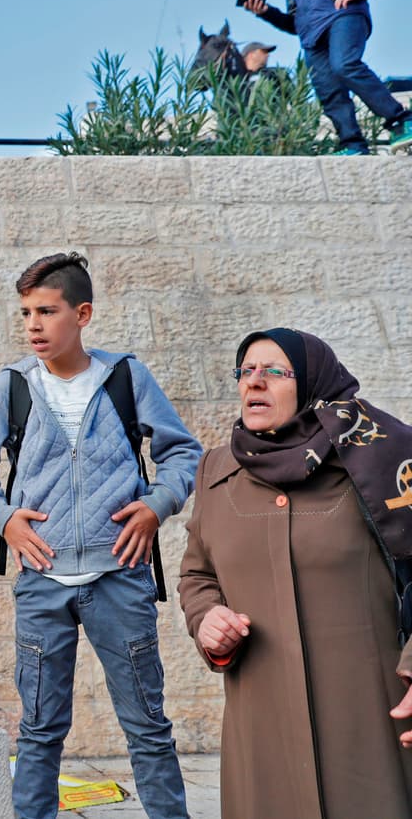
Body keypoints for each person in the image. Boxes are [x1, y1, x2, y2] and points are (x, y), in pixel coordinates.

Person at [0, 253, 200, 819]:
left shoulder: (126, 378)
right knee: (40, 731)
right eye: (26, 313)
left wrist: (156, 506)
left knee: (147, 727)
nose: (33, 325)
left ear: (82, 314)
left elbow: (183, 452)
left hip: (121, 579)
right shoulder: (11, 386)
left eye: (47, 311)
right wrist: (4, 517)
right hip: (42, 582)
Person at [178, 328, 412, 818]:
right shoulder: (216, 471)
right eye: (246, 370)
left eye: (274, 372)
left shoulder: (379, 460)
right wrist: (207, 619)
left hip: (371, 721)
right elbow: (198, 574)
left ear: (312, 384)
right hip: (263, 731)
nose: (254, 382)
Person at [243, 0, 412, 155]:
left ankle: (402, 119)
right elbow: (295, 24)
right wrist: (267, 13)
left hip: (343, 16)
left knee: (344, 64)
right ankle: (353, 145)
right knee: (328, 90)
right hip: (312, 39)